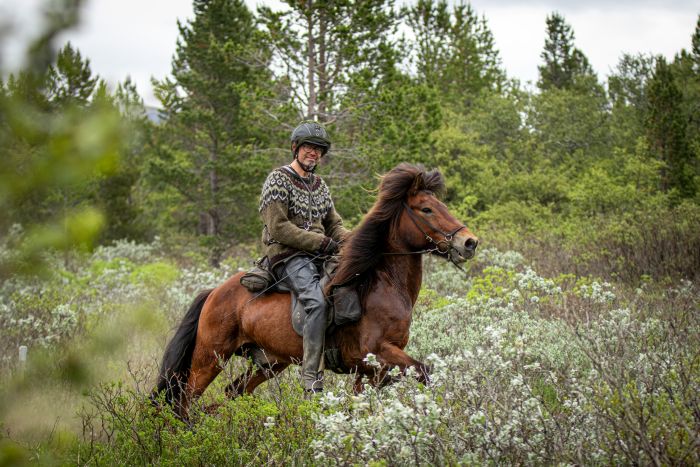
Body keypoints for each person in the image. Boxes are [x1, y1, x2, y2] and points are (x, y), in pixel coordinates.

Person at [258, 121, 351, 393]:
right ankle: (312, 377)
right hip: (287, 256)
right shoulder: (278, 179)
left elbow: (334, 224)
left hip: (319, 253)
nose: (314, 153)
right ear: (295, 148)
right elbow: (278, 227)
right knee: (317, 303)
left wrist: (354, 241)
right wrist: (320, 242)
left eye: (319, 149)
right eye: (309, 147)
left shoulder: (320, 185)